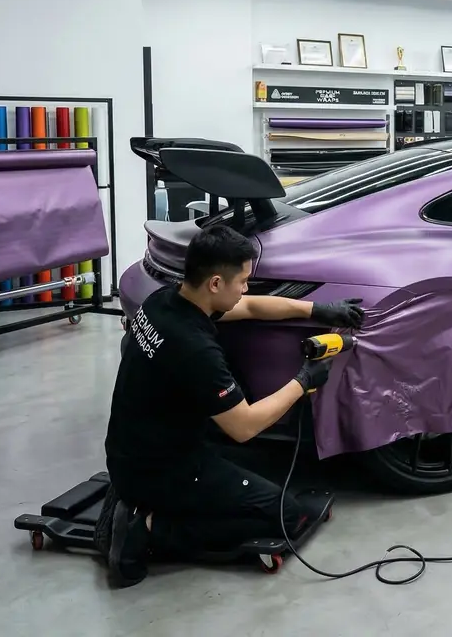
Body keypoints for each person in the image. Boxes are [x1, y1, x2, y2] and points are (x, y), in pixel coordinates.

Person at [97, 225, 365, 588]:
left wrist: (319, 309)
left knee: (254, 467)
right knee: (288, 515)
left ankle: (133, 499)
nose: (246, 289)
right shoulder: (195, 349)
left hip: (130, 454)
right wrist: (303, 381)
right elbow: (244, 427)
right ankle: (148, 529)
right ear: (215, 283)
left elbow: (251, 307)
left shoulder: (165, 301)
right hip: (162, 473)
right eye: (242, 281)